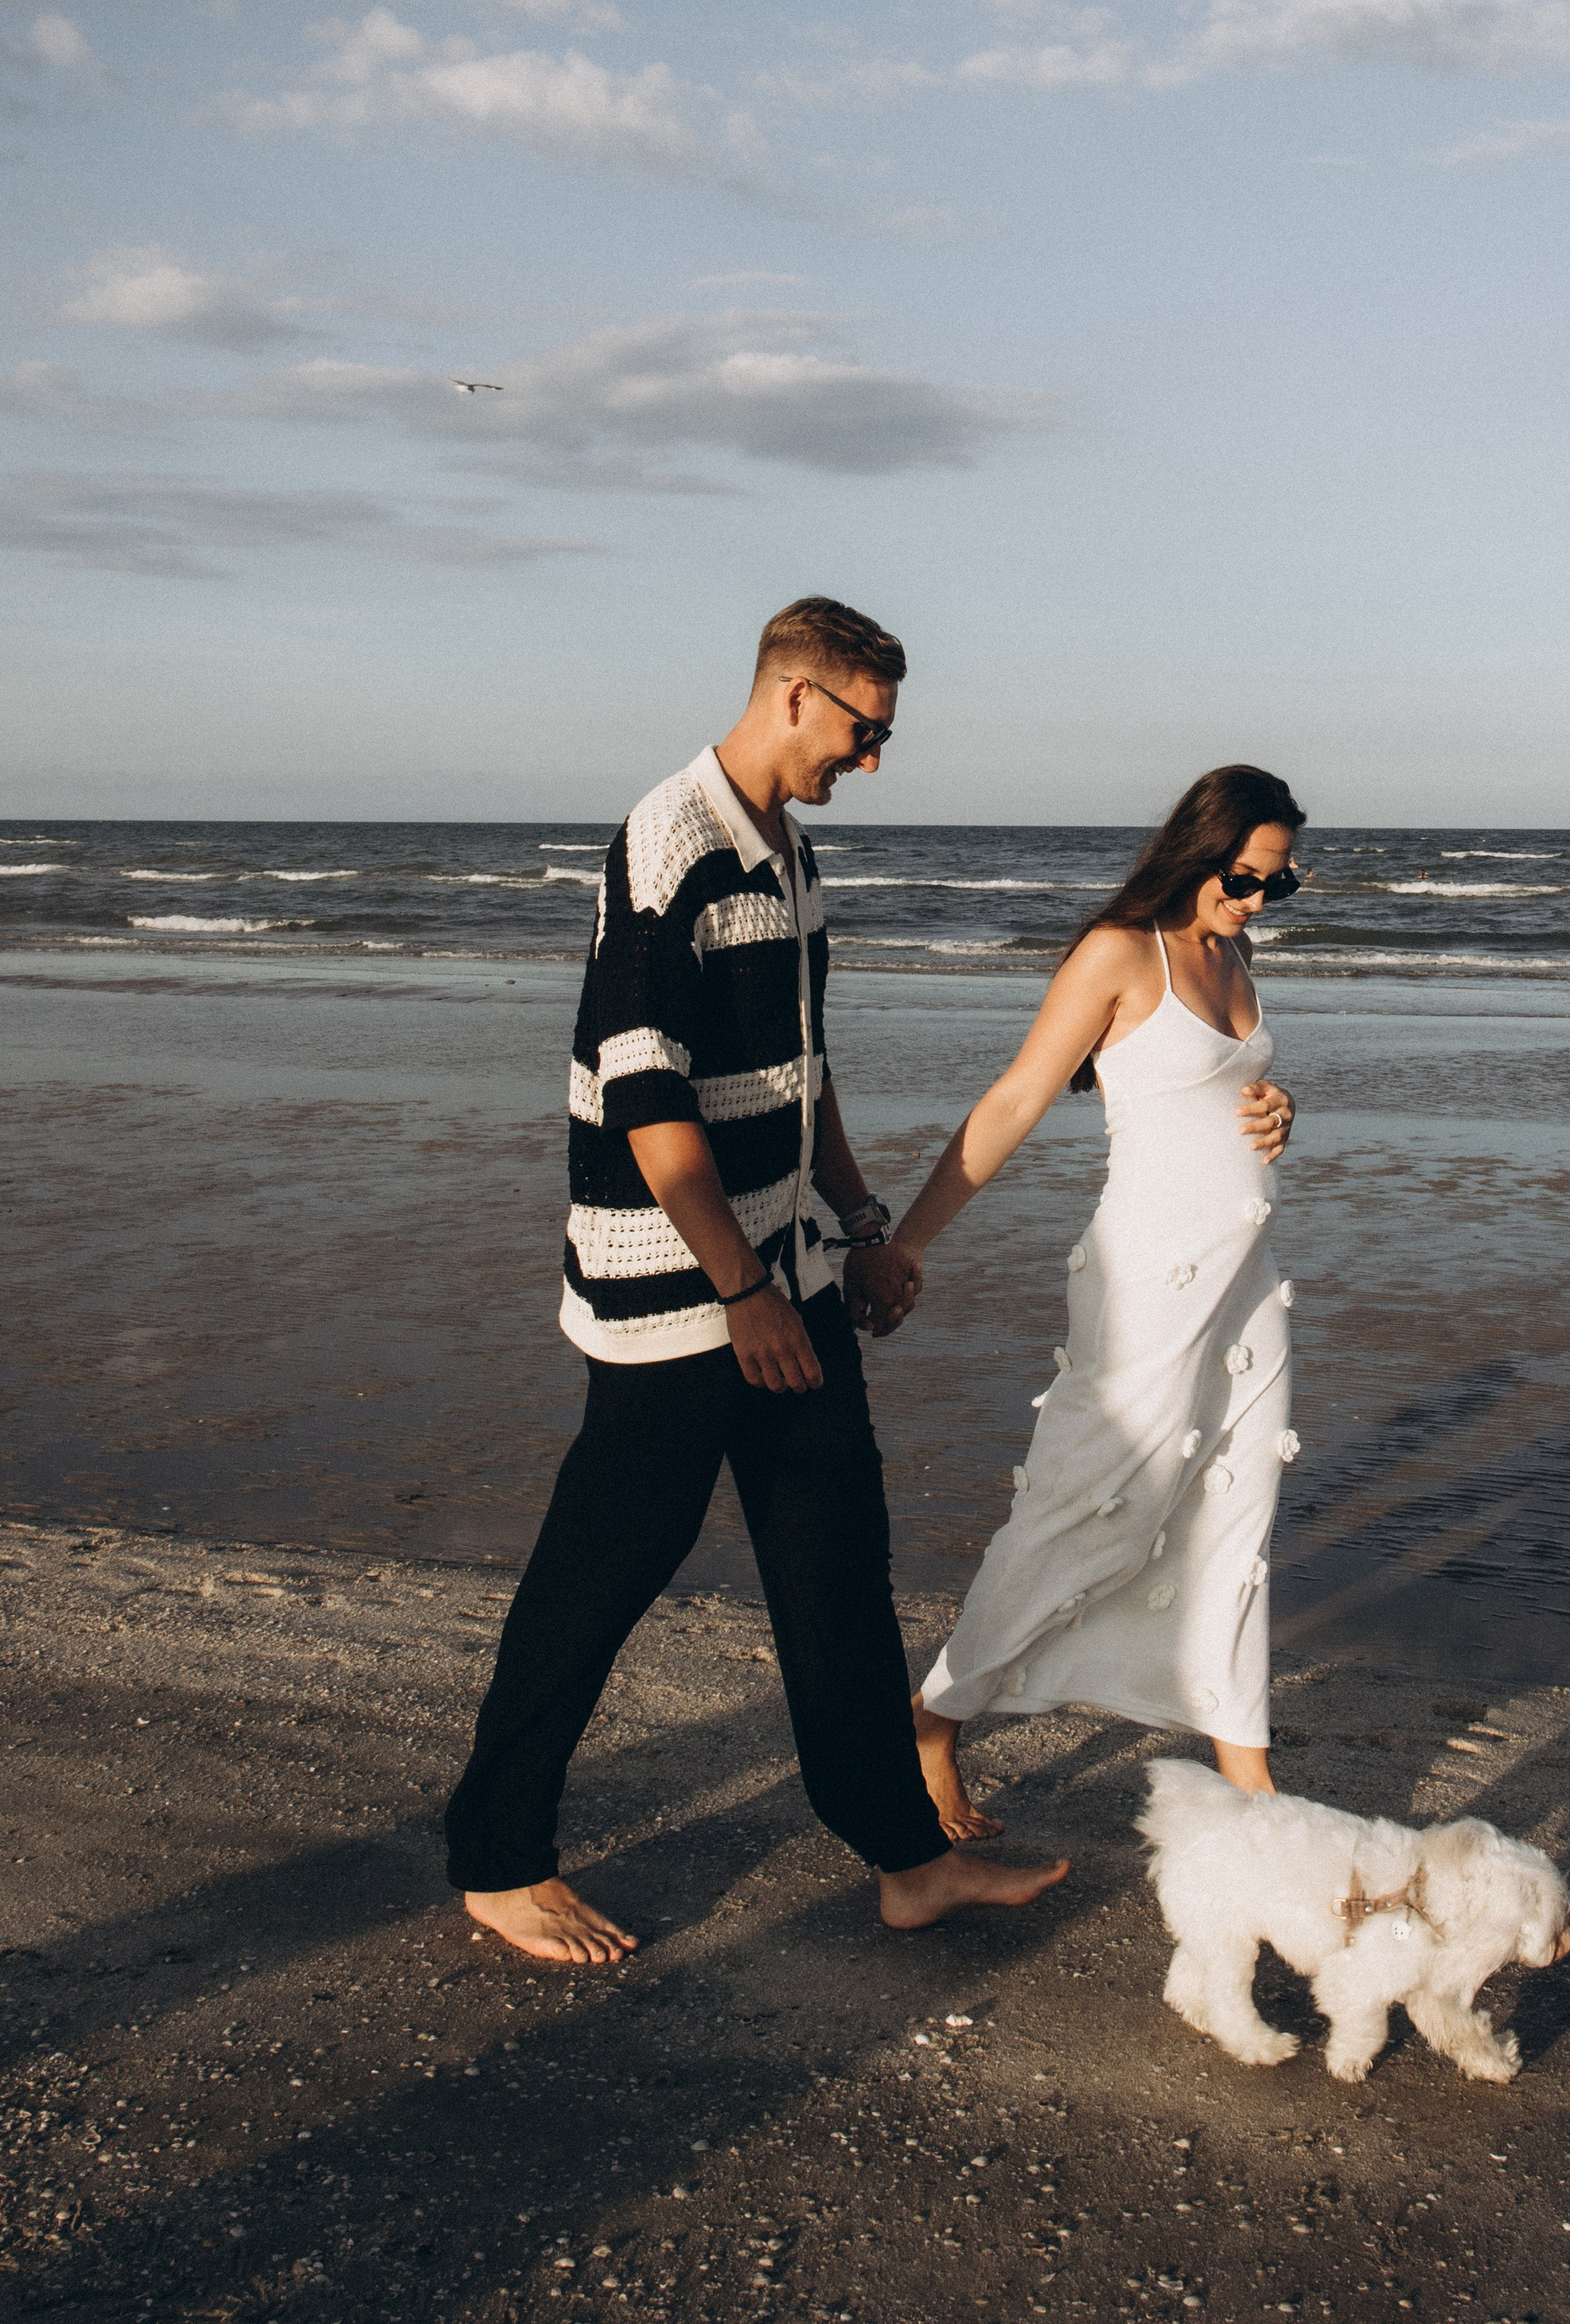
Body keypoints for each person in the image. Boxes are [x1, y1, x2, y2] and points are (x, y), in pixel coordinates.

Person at [444, 596, 1068, 1961]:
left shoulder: (788, 857)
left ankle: (905, 1856)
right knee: (606, 1568)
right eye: (864, 730)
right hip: (680, 1286)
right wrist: (740, 1289)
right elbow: (641, 1093)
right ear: (794, 695)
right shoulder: (667, 843)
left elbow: (803, 1065)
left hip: (781, 1268)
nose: (873, 760)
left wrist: (858, 1218)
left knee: (837, 1557)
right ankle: (496, 1858)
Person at [890, 766, 1305, 1844]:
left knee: (1235, 1512)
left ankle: (1251, 1784)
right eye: (1245, 877)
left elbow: (1217, 1090)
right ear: (1198, 847)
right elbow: (1020, 1096)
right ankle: (932, 1722)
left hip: (1247, 1284)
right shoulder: (1121, 954)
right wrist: (910, 1242)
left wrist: (1275, 1109)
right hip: (1149, 1282)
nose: (1258, 899)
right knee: (1084, 1509)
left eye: (1279, 885)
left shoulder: (1236, 950)